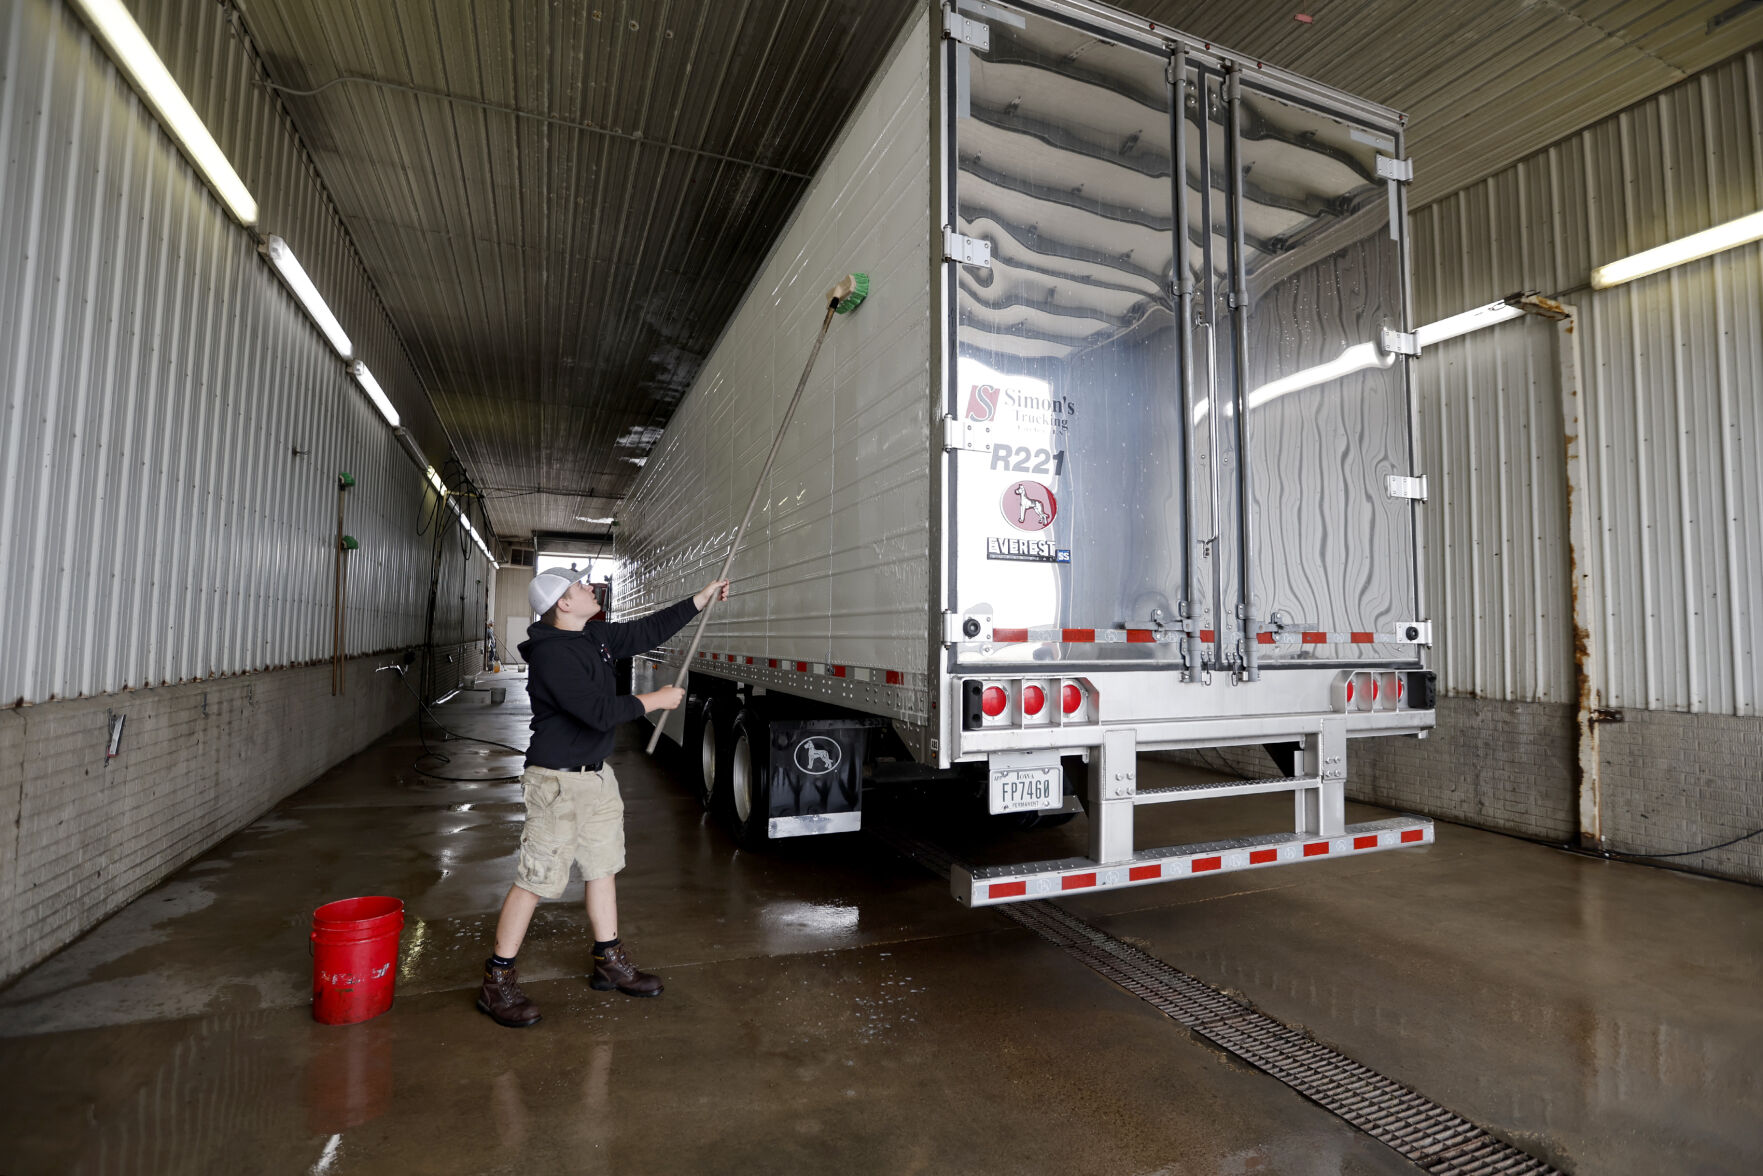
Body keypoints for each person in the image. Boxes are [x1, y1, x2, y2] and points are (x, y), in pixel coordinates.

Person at [476, 566, 729, 1028]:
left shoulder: (594, 636)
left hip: (596, 779)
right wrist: (654, 701)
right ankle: (497, 980)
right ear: (563, 605)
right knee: (536, 880)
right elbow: (596, 713)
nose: (590, 588)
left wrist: (699, 599)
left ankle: (609, 960)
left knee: (603, 868)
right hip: (556, 783)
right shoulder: (552, 655)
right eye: (579, 586)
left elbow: (645, 630)